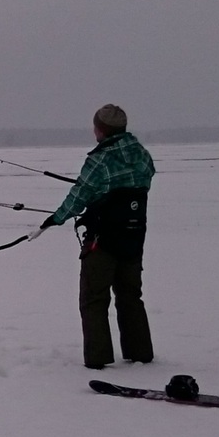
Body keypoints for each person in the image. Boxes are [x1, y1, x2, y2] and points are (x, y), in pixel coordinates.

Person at [39, 104, 155, 369]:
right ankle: (140, 352)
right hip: (134, 237)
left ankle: (98, 358)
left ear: (102, 129)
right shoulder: (142, 154)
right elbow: (143, 181)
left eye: (96, 127)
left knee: (94, 299)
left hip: (102, 242)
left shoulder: (99, 160)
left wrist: (56, 218)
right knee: (130, 295)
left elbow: (78, 197)